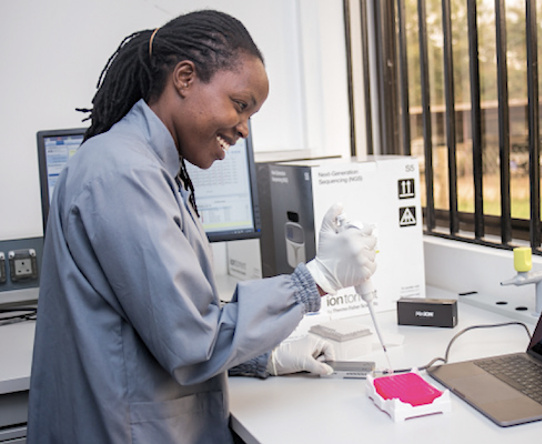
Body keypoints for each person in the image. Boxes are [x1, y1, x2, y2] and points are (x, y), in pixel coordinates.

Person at [27, 10, 377, 444]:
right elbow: (191, 341)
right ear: (186, 78)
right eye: (241, 105)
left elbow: (157, 324)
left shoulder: (147, 167)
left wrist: (260, 358)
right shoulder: (124, 174)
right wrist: (315, 281)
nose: (245, 129)